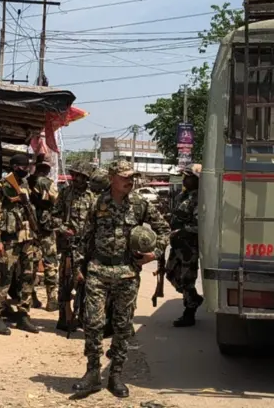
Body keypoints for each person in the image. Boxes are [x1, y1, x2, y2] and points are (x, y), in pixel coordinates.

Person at [72, 160, 169, 399]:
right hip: (98, 270)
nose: (130, 180)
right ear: (113, 177)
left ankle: (115, 375)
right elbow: (84, 237)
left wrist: (152, 254)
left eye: (132, 176)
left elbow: (164, 229)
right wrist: (77, 266)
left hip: (126, 273)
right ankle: (93, 373)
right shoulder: (97, 203)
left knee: (122, 326)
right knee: (93, 323)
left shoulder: (140, 204)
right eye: (125, 176)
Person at [0, 154, 40, 335]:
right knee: (4, 277)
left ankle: (23, 315)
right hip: (9, 239)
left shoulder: (25, 185)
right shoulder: (1, 187)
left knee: (28, 276)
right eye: (23, 166)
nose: (26, 169)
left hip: (27, 239)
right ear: (14, 166)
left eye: (28, 166)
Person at [53, 162, 94, 332]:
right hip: (68, 248)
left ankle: (83, 317)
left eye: (80, 176)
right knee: (65, 283)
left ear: (86, 178)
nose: (76, 179)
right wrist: (63, 229)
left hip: (86, 248)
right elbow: (53, 215)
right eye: (74, 175)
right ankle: (64, 318)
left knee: (85, 284)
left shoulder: (93, 197)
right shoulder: (65, 193)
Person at [166, 163, 203, 327]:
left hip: (189, 246)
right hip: (178, 245)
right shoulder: (184, 196)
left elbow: (200, 225)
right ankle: (194, 299)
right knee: (171, 273)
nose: (185, 179)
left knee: (187, 279)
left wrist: (181, 231)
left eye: (188, 177)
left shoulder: (200, 199)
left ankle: (189, 313)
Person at [28, 154, 60, 312]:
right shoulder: (47, 183)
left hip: (30, 229)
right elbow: (57, 202)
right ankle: (52, 299)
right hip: (46, 229)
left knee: (30, 264)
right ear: (47, 168)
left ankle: (30, 297)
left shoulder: (26, 182)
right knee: (50, 263)